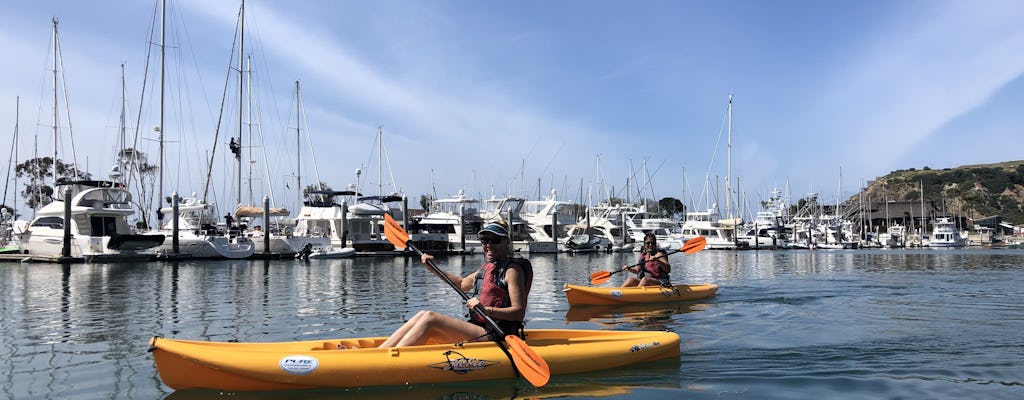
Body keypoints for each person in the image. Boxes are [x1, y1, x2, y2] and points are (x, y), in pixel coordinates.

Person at [379, 221, 533, 348]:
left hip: (498, 334)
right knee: (421, 315)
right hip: (480, 328)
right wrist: (432, 268)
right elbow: (460, 284)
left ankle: (390, 360)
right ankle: (382, 352)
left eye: (495, 240)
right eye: (485, 241)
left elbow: (518, 312)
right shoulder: (487, 268)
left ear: (506, 243)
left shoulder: (512, 271)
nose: (489, 245)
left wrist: (487, 310)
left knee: (430, 318)